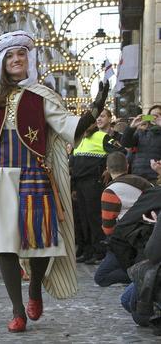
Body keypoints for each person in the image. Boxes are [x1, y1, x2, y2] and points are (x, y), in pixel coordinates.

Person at [0, 31, 108, 332]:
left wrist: (96, 105)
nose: (17, 60)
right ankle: (17, 311)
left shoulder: (43, 97)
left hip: (33, 174)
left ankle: (35, 288)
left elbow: (72, 127)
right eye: (10, 56)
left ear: (29, 60)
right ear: (2, 63)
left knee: (39, 241)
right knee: (5, 246)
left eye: (21, 55)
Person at [72, 112, 124, 264]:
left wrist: (108, 169)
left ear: (94, 124)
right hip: (79, 184)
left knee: (94, 218)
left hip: (94, 182)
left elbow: (120, 151)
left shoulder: (102, 137)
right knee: (82, 218)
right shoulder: (78, 139)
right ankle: (87, 250)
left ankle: (99, 251)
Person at [95, 152, 152, 287]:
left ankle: (140, 275)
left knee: (101, 277)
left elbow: (108, 228)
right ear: (127, 165)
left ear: (107, 169)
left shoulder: (111, 191)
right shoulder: (146, 183)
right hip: (148, 236)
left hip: (125, 241)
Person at [121, 105, 161, 183]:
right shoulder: (141, 132)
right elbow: (126, 143)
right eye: (152, 116)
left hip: (156, 176)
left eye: (158, 115)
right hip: (138, 175)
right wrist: (132, 127)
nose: (155, 118)